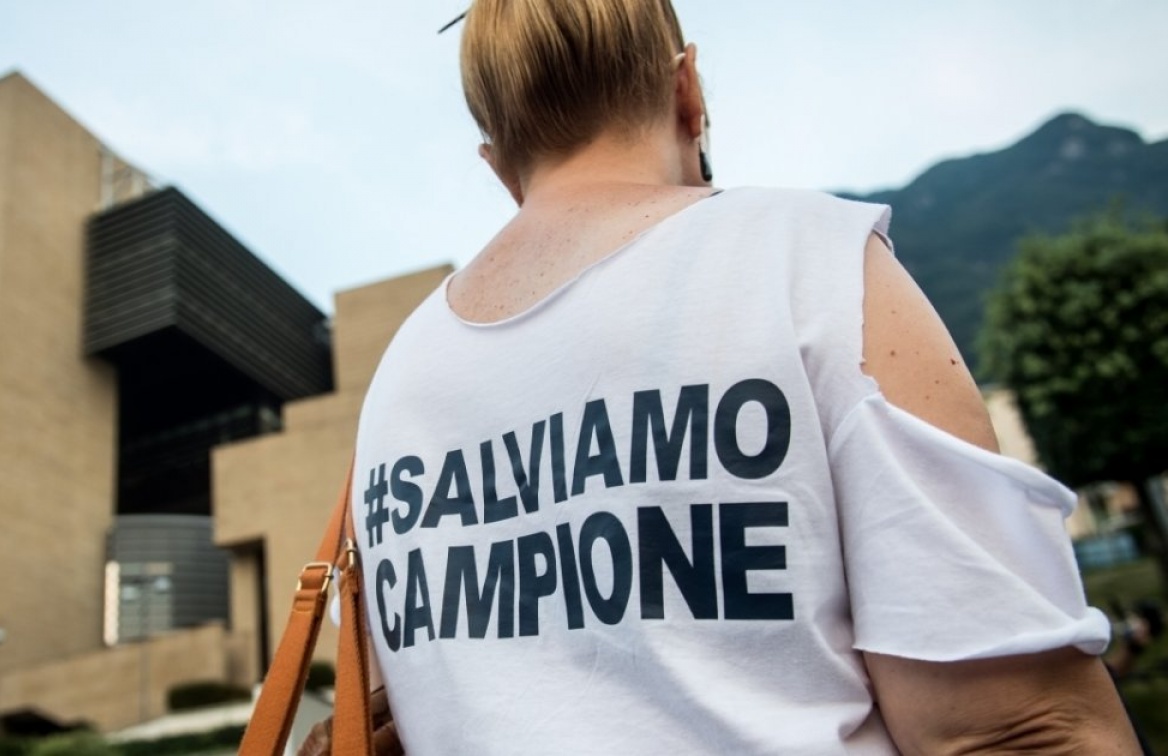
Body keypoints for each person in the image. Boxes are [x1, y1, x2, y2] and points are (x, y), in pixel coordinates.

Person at [348, 1, 1141, 752]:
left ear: (498, 163)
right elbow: (1018, 730)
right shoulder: (802, 262)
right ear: (687, 91)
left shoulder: (400, 381)